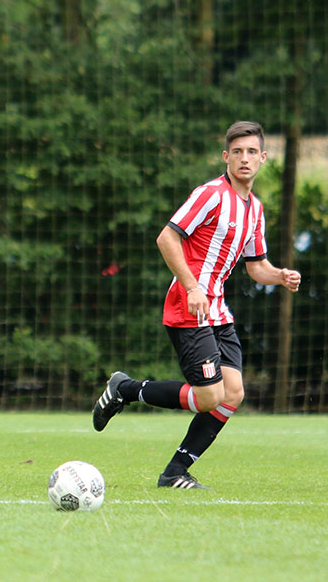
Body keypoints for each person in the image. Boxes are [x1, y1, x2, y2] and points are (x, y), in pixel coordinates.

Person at [92, 121, 302, 489]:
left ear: (263, 158)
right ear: (226, 157)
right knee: (209, 396)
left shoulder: (254, 208)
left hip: (217, 310)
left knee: (232, 392)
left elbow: (256, 267)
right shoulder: (210, 194)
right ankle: (124, 389)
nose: (244, 159)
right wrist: (191, 286)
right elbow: (166, 238)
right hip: (188, 306)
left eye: (252, 152)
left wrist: (280, 275)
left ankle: (174, 472)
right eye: (237, 152)